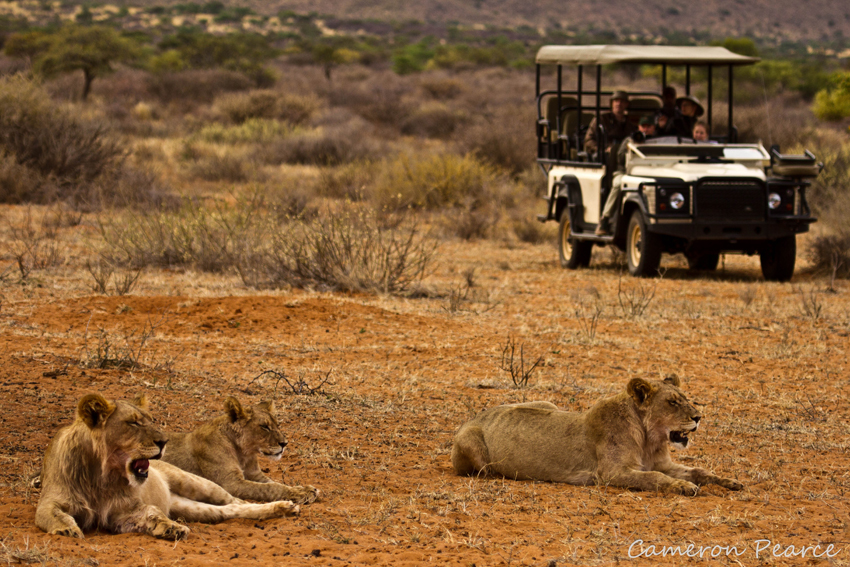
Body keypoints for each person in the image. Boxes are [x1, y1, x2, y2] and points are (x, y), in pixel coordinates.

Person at [595, 116, 656, 236]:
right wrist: (631, 146)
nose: (645, 130)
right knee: (618, 184)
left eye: (649, 127)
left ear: (653, 128)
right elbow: (620, 158)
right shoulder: (630, 139)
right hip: (625, 172)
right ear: (638, 127)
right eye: (643, 126)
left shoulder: (658, 141)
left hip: (651, 174)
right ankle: (605, 219)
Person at [583, 90, 636, 157]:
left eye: (622, 101)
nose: (619, 104)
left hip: (623, 154)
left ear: (627, 104)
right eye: (616, 101)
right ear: (612, 103)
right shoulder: (601, 120)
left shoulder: (629, 123)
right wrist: (603, 149)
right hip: (604, 154)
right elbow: (588, 140)